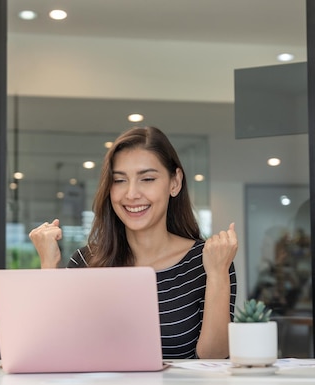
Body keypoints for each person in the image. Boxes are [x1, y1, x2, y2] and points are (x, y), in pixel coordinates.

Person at [29, 126, 238, 359]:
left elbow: (215, 357)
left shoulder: (208, 261)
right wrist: (48, 265)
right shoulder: (85, 262)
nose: (131, 194)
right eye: (119, 180)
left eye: (147, 179)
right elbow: (53, 351)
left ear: (174, 182)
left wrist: (218, 274)